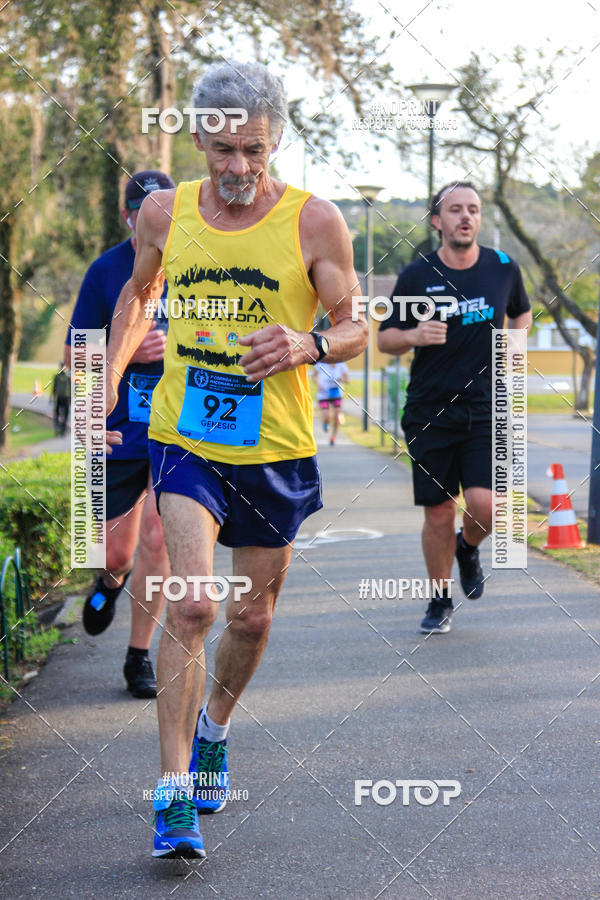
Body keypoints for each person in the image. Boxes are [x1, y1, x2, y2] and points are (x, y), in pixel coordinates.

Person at [105, 61, 368, 859]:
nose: (239, 169)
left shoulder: (314, 223)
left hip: (276, 449)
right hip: (186, 437)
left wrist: (308, 342)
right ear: (197, 139)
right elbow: (137, 297)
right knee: (194, 607)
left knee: (251, 618)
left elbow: (357, 325)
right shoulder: (162, 212)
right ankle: (172, 792)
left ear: (277, 141)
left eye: (255, 151)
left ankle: (215, 729)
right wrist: (100, 391)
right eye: (224, 151)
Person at [377, 182, 532, 635]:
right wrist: (413, 336)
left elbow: (521, 311)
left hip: (486, 407)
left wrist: (515, 347)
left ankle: (468, 547)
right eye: (455, 210)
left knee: (487, 506)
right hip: (429, 410)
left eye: (473, 210)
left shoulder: (503, 267)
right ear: (436, 221)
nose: (466, 217)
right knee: (439, 511)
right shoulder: (416, 274)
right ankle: (440, 599)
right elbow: (386, 338)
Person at [64, 170, 175, 697]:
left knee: (160, 536)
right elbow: (73, 356)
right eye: (141, 208)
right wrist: (126, 350)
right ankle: (109, 582)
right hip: (119, 429)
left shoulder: (196, 266)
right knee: (116, 555)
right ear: (128, 215)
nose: (152, 217)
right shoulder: (105, 271)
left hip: (179, 429)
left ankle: (139, 657)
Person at [312, 360, 349, 445]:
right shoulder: (321, 363)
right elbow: (314, 376)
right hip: (324, 394)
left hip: (336, 394)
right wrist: (318, 384)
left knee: (337, 417)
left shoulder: (341, 364)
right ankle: (325, 422)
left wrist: (341, 379)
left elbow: (348, 379)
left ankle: (333, 437)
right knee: (326, 417)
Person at [52, 363, 71, 435]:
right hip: (66, 398)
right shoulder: (68, 377)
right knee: (66, 414)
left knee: (57, 413)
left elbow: (54, 388)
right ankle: (63, 430)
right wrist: (71, 400)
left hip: (58, 397)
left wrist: (52, 398)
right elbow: (71, 390)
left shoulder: (56, 376)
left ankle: (57, 427)